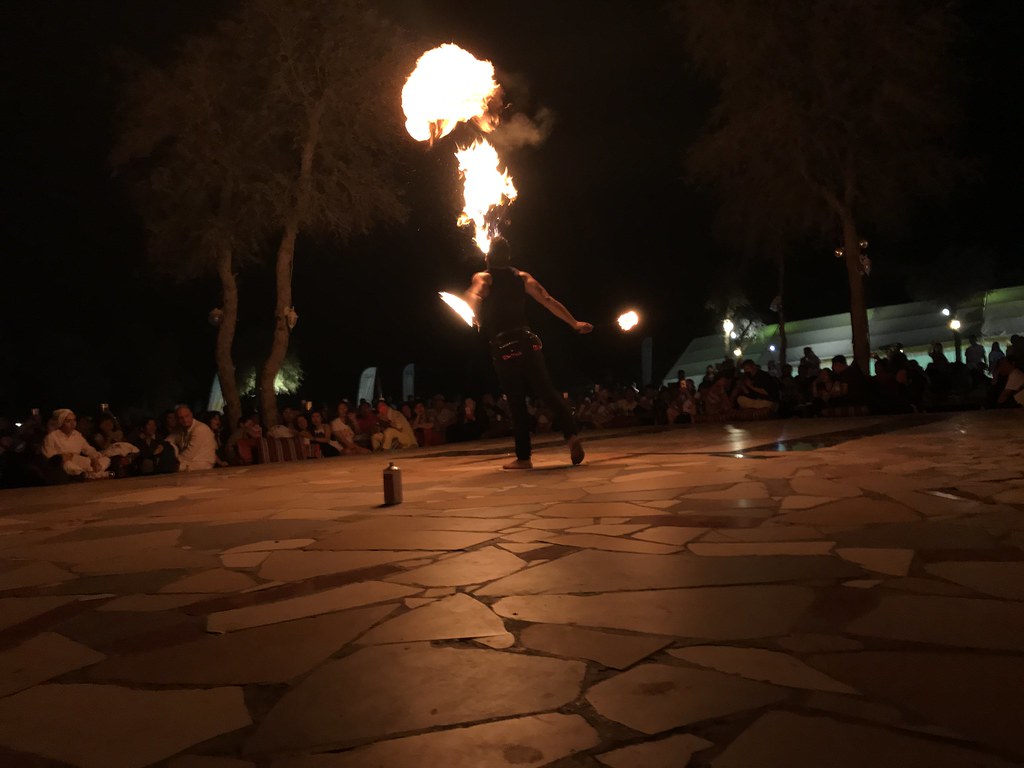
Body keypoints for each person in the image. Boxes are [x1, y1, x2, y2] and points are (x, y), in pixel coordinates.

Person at [464, 236, 592, 469]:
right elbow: (547, 299)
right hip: (528, 341)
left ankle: (524, 457)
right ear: (509, 257)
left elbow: (474, 294)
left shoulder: (484, 277)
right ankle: (572, 436)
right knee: (547, 391)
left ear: (487, 256)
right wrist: (574, 323)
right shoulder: (522, 277)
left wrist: (472, 311)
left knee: (515, 400)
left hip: (504, 347)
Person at [42, 409, 111, 479]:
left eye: (74, 420)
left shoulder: (77, 435)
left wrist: (94, 460)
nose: (73, 424)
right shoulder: (52, 437)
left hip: (78, 460)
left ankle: (92, 473)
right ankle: (89, 474)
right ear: (61, 422)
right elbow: (50, 458)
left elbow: (89, 449)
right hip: (65, 464)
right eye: (68, 421)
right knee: (68, 465)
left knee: (105, 459)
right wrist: (64, 456)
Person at [171, 405, 218, 471]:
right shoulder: (180, 429)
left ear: (191, 414)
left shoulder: (200, 429)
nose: (185, 420)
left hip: (201, 464)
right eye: (181, 418)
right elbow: (168, 441)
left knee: (169, 467)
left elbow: (189, 454)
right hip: (188, 463)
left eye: (187, 416)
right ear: (177, 419)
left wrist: (171, 461)